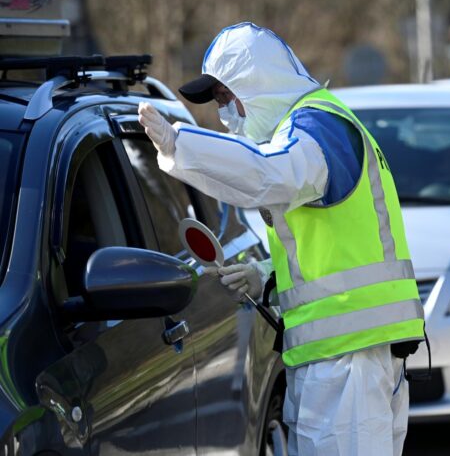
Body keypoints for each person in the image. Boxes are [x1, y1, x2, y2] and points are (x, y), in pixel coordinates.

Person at [138, 22, 425, 455]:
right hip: (350, 355)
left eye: (223, 97)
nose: (225, 114)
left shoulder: (315, 127)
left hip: (349, 362)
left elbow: (268, 176)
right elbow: (337, 246)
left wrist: (181, 147)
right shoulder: (315, 126)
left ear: (257, 85)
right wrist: (267, 276)